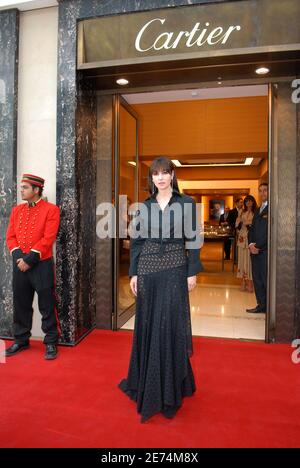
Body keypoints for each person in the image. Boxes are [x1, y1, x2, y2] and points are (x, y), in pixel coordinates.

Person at [118, 157, 203, 423]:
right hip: (148, 269)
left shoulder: (186, 203)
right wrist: (133, 272)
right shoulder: (145, 206)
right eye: (156, 174)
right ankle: (149, 379)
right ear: (151, 178)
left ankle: (171, 384)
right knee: (149, 323)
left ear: (172, 175)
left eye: (165, 172)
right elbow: (138, 241)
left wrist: (192, 271)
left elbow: (194, 239)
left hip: (176, 268)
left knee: (170, 323)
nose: (161, 177)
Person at [5, 174, 61, 360]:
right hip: (20, 265)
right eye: (21, 187)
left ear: (36, 190)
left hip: (41, 264)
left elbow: (48, 237)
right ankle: (21, 340)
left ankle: (51, 341)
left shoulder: (51, 210)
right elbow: (10, 237)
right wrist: (19, 258)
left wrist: (29, 259)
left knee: (47, 304)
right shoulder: (16, 210)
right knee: (21, 304)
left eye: (25, 187)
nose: (21, 190)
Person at [246, 183, 268, 314]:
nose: (263, 193)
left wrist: (258, 246)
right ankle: (261, 305)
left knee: (265, 279)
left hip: (264, 252)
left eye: (265, 190)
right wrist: (250, 245)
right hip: (254, 252)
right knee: (257, 279)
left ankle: (268, 307)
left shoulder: (272, 209)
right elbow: (252, 230)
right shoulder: (258, 210)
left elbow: (269, 233)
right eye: (260, 191)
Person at [236, 195, 257, 292]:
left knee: (249, 261)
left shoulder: (256, 212)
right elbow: (237, 224)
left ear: (253, 202)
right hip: (241, 238)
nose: (248, 203)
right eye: (246, 201)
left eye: (250, 201)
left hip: (251, 238)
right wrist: (241, 223)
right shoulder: (241, 212)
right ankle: (243, 282)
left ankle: (250, 283)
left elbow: (256, 224)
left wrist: (249, 223)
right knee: (241, 260)